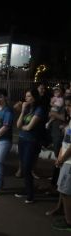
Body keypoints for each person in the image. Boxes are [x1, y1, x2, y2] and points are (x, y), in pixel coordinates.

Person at [15, 89, 44, 204]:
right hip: (22, 140)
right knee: (23, 166)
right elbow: (18, 125)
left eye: (29, 96)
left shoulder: (39, 110)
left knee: (27, 167)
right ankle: (27, 189)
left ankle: (31, 194)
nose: (26, 99)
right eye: (26, 96)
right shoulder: (27, 109)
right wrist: (22, 111)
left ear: (34, 98)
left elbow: (29, 127)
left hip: (31, 142)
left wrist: (23, 126)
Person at [52, 95, 71, 231]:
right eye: (67, 105)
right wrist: (59, 157)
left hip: (69, 162)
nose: (67, 108)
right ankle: (65, 215)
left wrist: (62, 158)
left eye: (70, 106)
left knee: (66, 192)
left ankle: (69, 221)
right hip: (65, 160)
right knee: (64, 190)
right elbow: (66, 141)